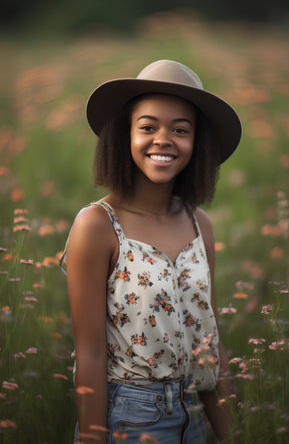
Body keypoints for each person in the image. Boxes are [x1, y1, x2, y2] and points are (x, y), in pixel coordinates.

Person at [62, 59, 242, 443]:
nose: (164, 139)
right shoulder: (97, 225)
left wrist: (233, 433)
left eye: (180, 129)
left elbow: (207, 339)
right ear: (125, 135)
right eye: (148, 127)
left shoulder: (199, 225)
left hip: (192, 415)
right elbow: (90, 355)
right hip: (129, 418)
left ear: (197, 143)